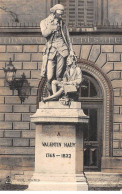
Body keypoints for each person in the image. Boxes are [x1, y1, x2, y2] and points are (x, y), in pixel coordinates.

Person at [40, 4, 75, 94]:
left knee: (59, 74)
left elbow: (68, 39)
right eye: (59, 14)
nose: (60, 16)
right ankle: (50, 94)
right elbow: (44, 33)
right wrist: (52, 28)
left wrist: (71, 50)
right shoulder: (44, 22)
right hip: (51, 51)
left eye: (61, 14)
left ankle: (57, 95)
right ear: (54, 12)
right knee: (49, 76)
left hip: (62, 51)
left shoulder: (63, 24)